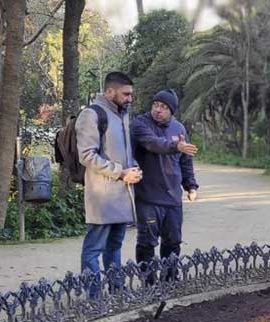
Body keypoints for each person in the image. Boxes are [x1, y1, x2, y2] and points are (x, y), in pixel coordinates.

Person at [77, 71, 141, 290]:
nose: (130, 98)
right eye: (126, 94)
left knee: (114, 246)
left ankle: (116, 290)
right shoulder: (92, 115)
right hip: (102, 196)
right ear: (109, 91)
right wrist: (121, 172)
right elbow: (86, 155)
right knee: (94, 248)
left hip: (122, 193)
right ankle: (94, 296)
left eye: (131, 94)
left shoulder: (122, 114)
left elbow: (123, 151)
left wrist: (133, 167)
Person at [130, 89, 199, 279]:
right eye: (155, 105)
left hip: (173, 199)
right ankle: (148, 282)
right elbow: (154, 143)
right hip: (148, 198)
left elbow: (185, 161)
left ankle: (169, 279)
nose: (158, 110)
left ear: (172, 111)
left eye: (163, 107)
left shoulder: (179, 129)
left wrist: (191, 185)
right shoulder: (140, 124)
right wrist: (175, 146)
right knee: (147, 242)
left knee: (173, 241)